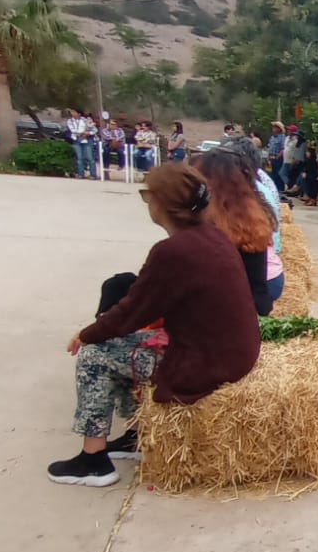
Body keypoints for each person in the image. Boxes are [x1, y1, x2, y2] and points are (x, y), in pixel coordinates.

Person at [49, 163, 261, 486]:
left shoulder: (173, 250)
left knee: (96, 355)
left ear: (162, 204)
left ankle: (93, 461)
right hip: (234, 355)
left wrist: (87, 335)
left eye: (148, 196)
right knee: (122, 344)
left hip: (205, 364)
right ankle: (137, 434)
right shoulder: (213, 237)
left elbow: (132, 310)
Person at [194, 150, 278, 316]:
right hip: (253, 310)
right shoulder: (254, 217)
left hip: (220, 316)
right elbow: (260, 298)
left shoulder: (203, 224)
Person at [67, 109, 97, 180]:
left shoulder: (85, 120)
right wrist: (82, 133)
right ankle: (80, 174)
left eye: (74, 112)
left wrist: (88, 133)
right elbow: (73, 130)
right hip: (77, 140)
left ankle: (93, 175)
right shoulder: (70, 121)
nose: (72, 113)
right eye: (71, 112)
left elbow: (94, 130)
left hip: (88, 140)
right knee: (79, 158)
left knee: (90, 158)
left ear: (79, 113)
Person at [281, 125, 305, 193]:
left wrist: (295, 159)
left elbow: (297, 151)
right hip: (287, 159)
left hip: (294, 160)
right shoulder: (287, 138)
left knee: (288, 173)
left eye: (290, 130)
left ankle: (290, 186)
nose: (288, 131)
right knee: (289, 174)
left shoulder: (298, 141)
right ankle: (290, 186)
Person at [266, 122, 286, 192]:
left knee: (278, 174)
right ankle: (272, 188)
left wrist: (278, 156)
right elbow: (269, 148)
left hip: (278, 159)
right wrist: (268, 157)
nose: (273, 129)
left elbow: (283, 148)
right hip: (271, 158)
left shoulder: (282, 137)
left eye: (275, 127)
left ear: (279, 129)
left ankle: (280, 189)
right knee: (271, 174)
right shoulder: (272, 138)